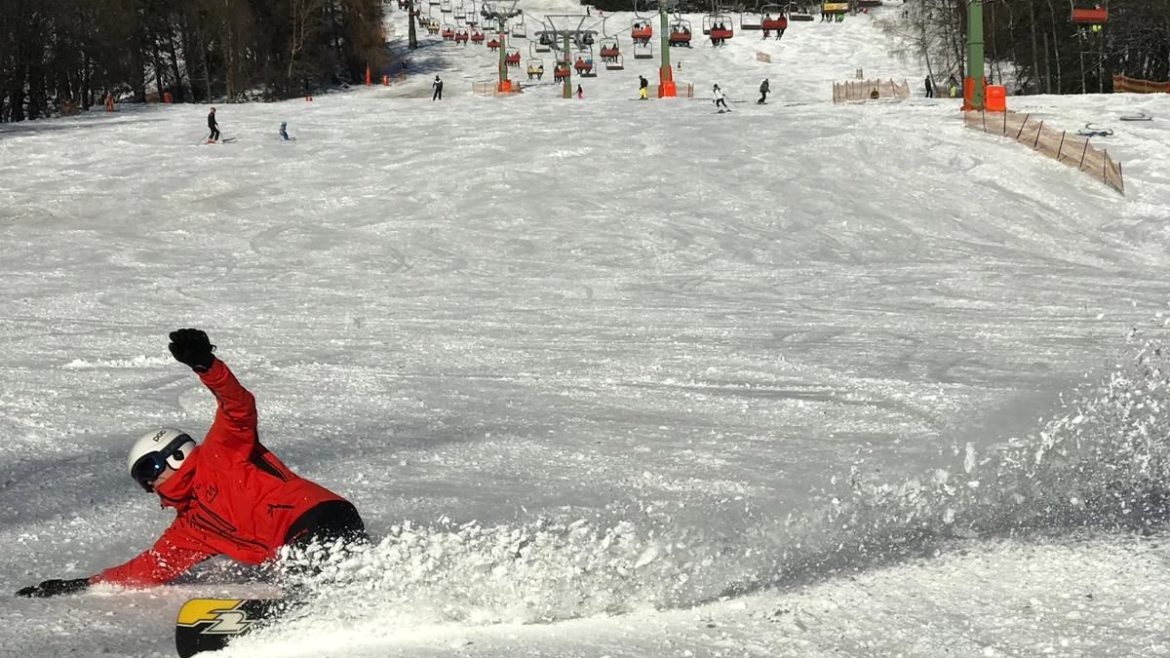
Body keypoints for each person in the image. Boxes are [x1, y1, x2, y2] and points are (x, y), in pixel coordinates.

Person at [16, 329, 366, 598]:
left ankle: (314, 604)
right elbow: (150, 567)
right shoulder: (192, 528)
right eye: (141, 479)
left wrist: (207, 366)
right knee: (312, 572)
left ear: (176, 452)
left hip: (319, 518)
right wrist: (84, 584)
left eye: (149, 469)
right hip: (295, 546)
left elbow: (238, 407)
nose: (149, 483)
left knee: (310, 569)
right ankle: (342, 599)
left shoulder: (220, 452)